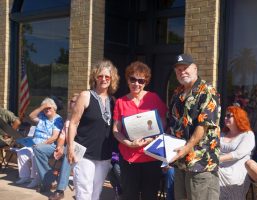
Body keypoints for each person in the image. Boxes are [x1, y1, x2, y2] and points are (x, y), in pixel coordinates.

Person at [168, 53, 221, 200]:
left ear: (195, 68)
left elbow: (203, 126)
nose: (182, 71)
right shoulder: (177, 93)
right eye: (178, 69)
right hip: (180, 162)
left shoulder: (207, 91)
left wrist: (186, 148)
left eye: (185, 68)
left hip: (200, 162)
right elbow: (172, 124)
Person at [113, 61, 167, 200]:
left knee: (150, 196)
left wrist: (153, 138)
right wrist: (129, 143)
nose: (136, 84)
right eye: (133, 79)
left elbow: (163, 123)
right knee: (130, 196)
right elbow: (116, 130)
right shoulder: (121, 102)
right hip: (129, 157)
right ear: (127, 80)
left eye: (141, 80)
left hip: (151, 155)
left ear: (146, 82)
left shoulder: (153, 98)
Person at [67, 59, 119, 200]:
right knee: (84, 192)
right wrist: (70, 147)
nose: (103, 79)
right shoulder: (85, 96)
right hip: (84, 153)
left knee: (96, 192)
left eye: (107, 77)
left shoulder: (113, 100)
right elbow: (73, 123)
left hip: (104, 155)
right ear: (95, 77)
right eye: (100, 76)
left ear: (111, 79)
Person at [33, 94, 78, 200]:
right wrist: (59, 147)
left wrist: (67, 148)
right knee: (38, 148)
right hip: (65, 146)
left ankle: (60, 190)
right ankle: (49, 180)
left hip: (78, 149)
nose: (72, 103)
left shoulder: (85, 118)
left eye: (75, 101)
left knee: (68, 153)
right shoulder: (68, 119)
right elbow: (62, 136)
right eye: (71, 101)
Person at [16, 97, 63, 188]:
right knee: (22, 152)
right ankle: (25, 176)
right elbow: (31, 116)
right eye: (45, 108)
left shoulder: (58, 119)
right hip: (34, 142)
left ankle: (35, 179)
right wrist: (42, 107)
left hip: (47, 145)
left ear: (54, 108)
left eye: (49, 108)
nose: (46, 110)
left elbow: (54, 137)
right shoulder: (42, 116)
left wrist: (40, 145)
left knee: (35, 153)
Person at [218, 105, 255, 199]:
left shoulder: (247, 135)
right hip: (218, 166)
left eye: (229, 116)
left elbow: (238, 154)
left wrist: (216, 159)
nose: (225, 118)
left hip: (235, 169)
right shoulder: (221, 134)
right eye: (225, 116)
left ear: (238, 117)